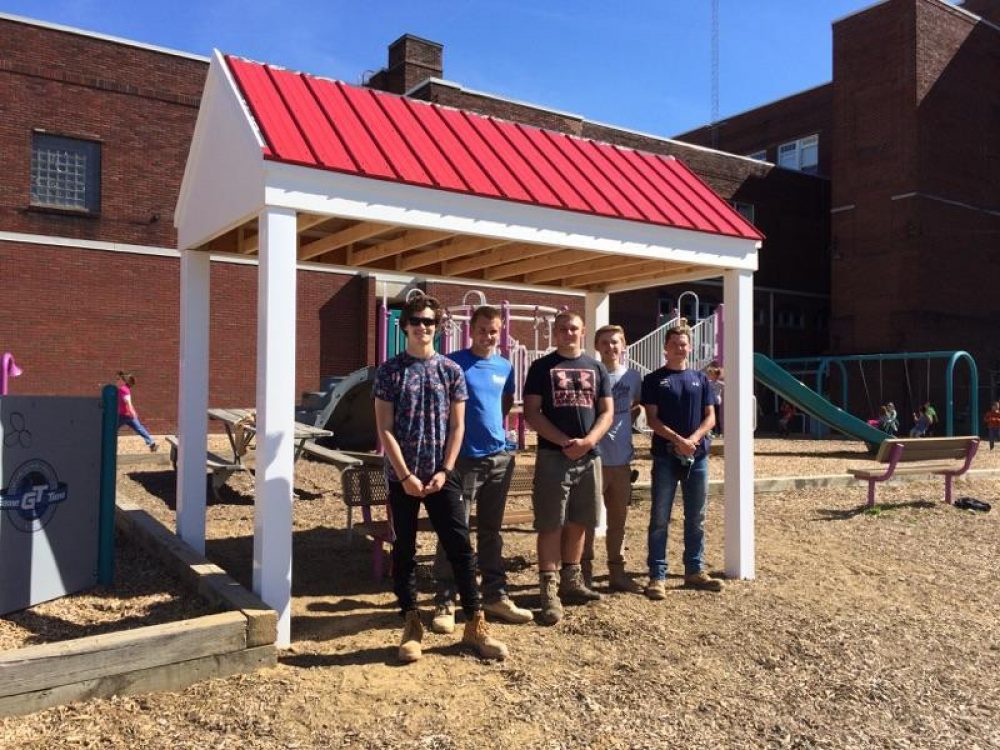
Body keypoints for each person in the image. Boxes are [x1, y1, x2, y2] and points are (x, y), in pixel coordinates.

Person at [373, 294, 507, 663]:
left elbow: (458, 424)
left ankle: (475, 624)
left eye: (430, 321)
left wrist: (445, 469)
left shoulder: (451, 371)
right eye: (416, 320)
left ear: (437, 326)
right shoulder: (389, 371)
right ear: (405, 326)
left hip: (442, 475)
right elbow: (384, 429)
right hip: (404, 477)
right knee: (404, 551)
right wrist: (405, 476)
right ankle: (411, 623)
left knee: (460, 548)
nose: (423, 326)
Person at [430, 306, 533, 632]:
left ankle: (494, 595)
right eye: (483, 330)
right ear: (470, 331)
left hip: (498, 459)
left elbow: (503, 403)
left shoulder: (504, 366)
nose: (488, 336)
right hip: (462, 461)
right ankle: (445, 599)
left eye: (494, 331)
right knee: (454, 531)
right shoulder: (453, 363)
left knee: (491, 532)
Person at [523, 310, 612, 625]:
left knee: (579, 520)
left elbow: (607, 411)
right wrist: (564, 442)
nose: (568, 333)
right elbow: (532, 413)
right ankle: (548, 588)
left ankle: (572, 581)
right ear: (555, 333)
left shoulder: (596, 367)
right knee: (551, 523)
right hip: (552, 456)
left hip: (589, 456)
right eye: (562, 329)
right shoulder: (541, 367)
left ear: (582, 331)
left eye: (573, 328)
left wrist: (588, 442)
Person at [641, 321, 721, 600]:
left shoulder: (701, 380)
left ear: (690, 347)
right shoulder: (653, 380)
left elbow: (710, 416)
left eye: (683, 344)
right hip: (665, 456)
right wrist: (678, 441)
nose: (679, 348)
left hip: (697, 458)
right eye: (674, 343)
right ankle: (657, 574)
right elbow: (652, 419)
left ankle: (694, 569)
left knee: (696, 516)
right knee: (660, 517)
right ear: (666, 348)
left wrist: (694, 439)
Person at [581, 324, 643, 594]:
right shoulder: (589, 374)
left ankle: (617, 572)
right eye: (605, 342)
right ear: (597, 346)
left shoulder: (633, 377)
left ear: (623, 345)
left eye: (615, 342)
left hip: (621, 461)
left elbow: (637, 406)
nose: (610, 347)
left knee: (618, 521)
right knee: (587, 520)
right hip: (594, 459)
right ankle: (583, 573)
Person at [116, 370, 158, 452]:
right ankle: (152, 443)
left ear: (124, 382)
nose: (117, 381)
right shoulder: (123, 389)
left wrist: (131, 412)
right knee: (139, 428)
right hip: (128, 414)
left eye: (118, 379)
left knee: (111, 429)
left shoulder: (123, 390)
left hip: (124, 415)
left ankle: (105, 443)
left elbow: (128, 402)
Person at [704, 363, 724, 436]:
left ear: (715, 375)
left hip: (715, 401)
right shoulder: (709, 383)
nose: (710, 376)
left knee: (716, 416)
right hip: (712, 401)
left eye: (712, 374)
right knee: (712, 416)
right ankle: (714, 431)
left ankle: (718, 431)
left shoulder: (719, 383)